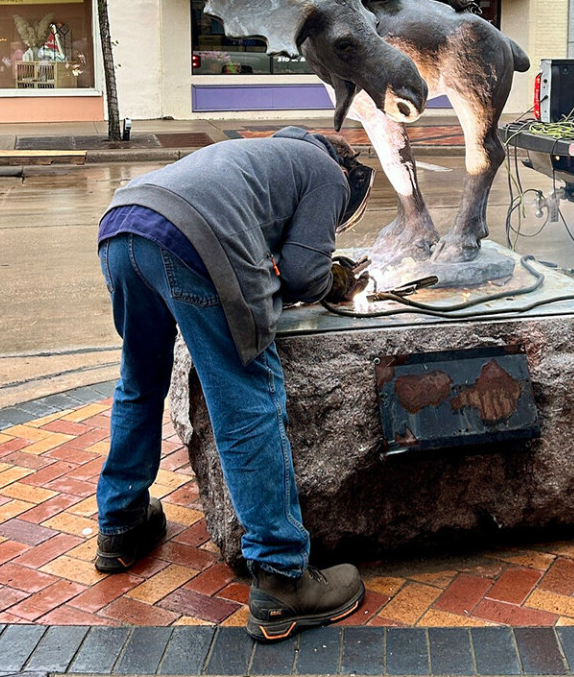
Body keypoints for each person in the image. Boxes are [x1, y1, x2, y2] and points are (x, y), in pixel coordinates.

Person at [94, 126, 375, 642]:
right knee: (246, 402)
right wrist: (330, 278)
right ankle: (282, 577)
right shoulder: (327, 174)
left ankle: (121, 525)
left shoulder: (260, 154)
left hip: (122, 226)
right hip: (193, 239)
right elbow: (304, 272)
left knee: (139, 381)